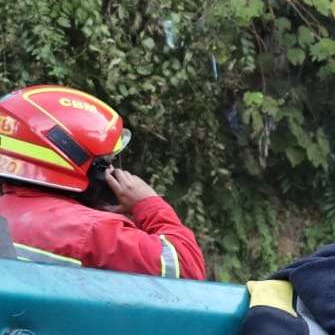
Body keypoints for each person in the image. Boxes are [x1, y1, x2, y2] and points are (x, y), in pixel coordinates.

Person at [0, 85, 205, 279]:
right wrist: (150, 204)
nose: (112, 171)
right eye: (106, 162)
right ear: (74, 159)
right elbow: (186, 268)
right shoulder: (93, 231)